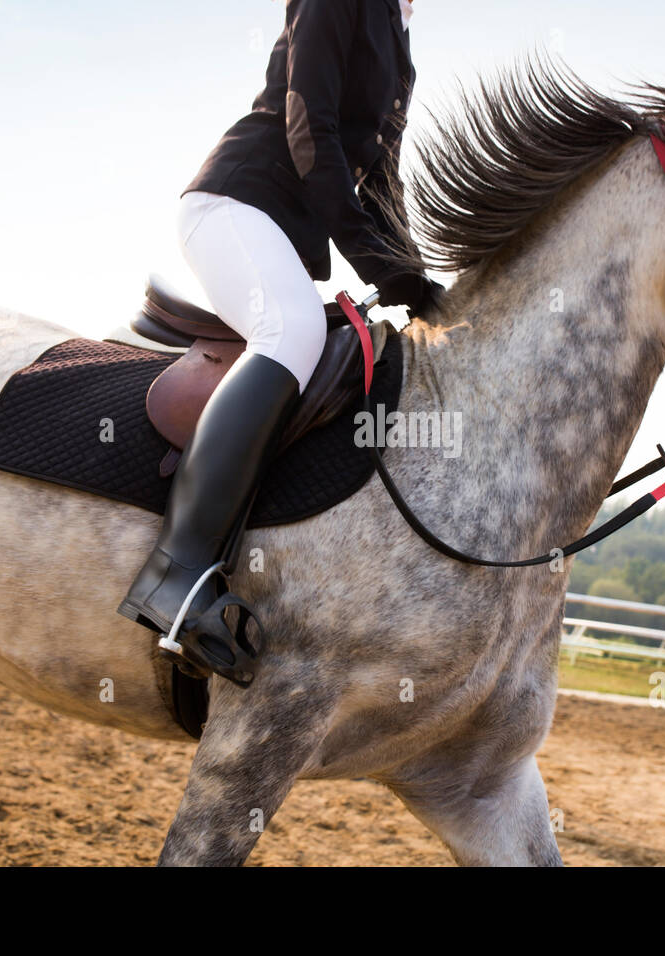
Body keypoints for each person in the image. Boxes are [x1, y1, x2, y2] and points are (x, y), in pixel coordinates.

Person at [119, 0, 441, 681]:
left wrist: (416, 274)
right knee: (290, 331)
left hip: (286, 228)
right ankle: (174, 577)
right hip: (237, 200)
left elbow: (381, 176)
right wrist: (380, 264)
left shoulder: (400, 30)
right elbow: (308, 126)